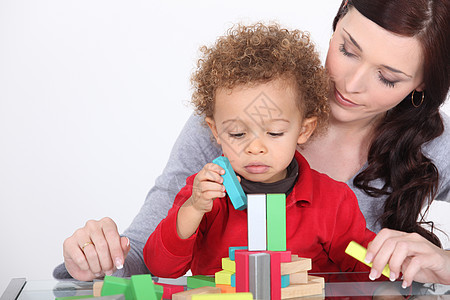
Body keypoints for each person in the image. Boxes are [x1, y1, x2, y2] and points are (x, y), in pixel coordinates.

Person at [55, 0, 450, 289]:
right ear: (337, 20)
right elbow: (142, 258)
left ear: (420, 85)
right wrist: (95, 258)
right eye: (347, 49)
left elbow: (368, 271)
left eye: (387, 77)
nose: (350, 84)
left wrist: (444, 264)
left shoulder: (433, 144)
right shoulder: (235, 117)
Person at [143, 22, 378, 277]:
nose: (255, 148)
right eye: (237, 134)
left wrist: (387, 286)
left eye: (274, 133)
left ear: (304, 130)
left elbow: (367, 267)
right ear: (215, 132)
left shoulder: (333, 201)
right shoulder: (204, 193)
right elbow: (161, 267)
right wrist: (194, 208)